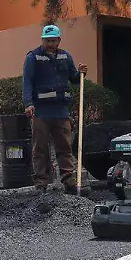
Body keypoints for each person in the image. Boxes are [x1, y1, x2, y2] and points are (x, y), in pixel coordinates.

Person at [22, 24, 88, 191]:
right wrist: (28, 104)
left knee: (65, 147)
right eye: (47, 40)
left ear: (59, 40)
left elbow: (73, 78)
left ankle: (69, 182)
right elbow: (27, 82)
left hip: (61, 111)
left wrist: (80, 73)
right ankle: (41, 184)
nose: (50, 43)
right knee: (40, 149)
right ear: (42, 40)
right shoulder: (33, 58)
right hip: (41, 112)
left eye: (53, 40)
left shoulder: (66, 57)